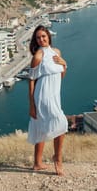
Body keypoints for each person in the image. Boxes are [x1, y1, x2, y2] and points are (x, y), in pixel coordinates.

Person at [27, 25, 68, 176]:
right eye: (38, 38)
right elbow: (31, 81)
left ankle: (37, 163)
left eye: (43, 36)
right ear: (35, 40)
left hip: (55, 95)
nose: (41, 39)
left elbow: (60, 76)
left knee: (41, 126)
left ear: (48, 36)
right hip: (43, 96)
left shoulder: (57, 53)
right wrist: (32, 105)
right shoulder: (38, 56)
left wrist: (64, 64)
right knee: (61, 122)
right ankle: (57, 158)